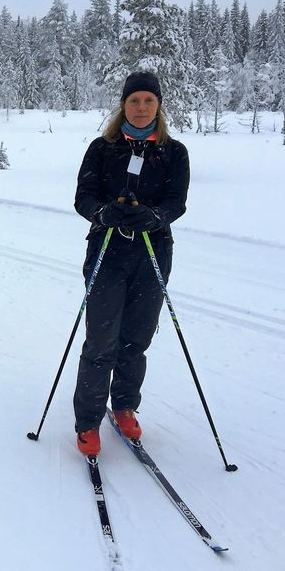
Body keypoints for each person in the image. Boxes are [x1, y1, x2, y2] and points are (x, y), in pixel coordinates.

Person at [71, 71, 190, 456]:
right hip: (108, 251)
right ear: (123, 105)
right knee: (101, 340)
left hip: (153, 253)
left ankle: (124, 406)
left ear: (159, 106)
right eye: (134, 101)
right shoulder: (102, 148)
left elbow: (176, 201)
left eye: (148, 101)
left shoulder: (174, 151)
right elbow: (83, 198)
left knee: (136, 339)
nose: (141, 108)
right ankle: (88, 420)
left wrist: (156, 217)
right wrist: (103, 213)